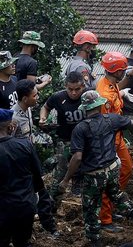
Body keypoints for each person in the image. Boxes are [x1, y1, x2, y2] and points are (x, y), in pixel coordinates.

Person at [59, 91, 133, 247]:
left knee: (91, 209)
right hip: (112, 169)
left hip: (93, 175)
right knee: (117, 195)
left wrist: (66, 179)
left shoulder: (80, 128)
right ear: (100, 105)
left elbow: (77, 157)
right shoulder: (112, 119)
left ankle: (96, 242)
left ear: (84, 108)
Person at [96, 51, 133, 232]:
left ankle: (113, 205)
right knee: (110, 178)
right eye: (122, 70)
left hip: (117, 137)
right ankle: (105, 219)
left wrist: (122, 90)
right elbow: (107, 120)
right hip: (109, 139)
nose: (124, 72)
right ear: (116, 71)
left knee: (127, 168)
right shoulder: (105, 93)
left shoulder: (110, 83)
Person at [0, 108, 52, 247]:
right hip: (24, 206)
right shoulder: (24, 145)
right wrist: (44, 210)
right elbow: (38, 179)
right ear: (11, 127)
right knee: (22, 242)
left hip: (2, 210)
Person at [42, 71, 87, 208]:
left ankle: (86, 208)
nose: (73, 93)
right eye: (70, 89)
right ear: (65, 86)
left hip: (86, 141)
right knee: (60, 173)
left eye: (77, 89)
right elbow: (45, 107)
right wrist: (43, 118)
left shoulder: (89, 96)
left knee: (86, 171)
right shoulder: (58, 97)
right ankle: (52, 207)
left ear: (83, 86)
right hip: (64, 139)